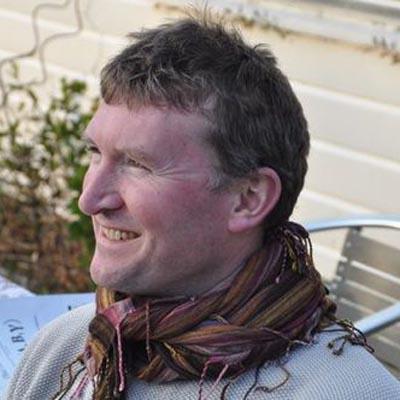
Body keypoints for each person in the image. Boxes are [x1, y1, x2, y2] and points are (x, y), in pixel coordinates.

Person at [5, 12, 400, 400]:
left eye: (137, 164)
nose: (90, 199)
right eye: (95, 152)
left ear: (248, 199)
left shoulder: (349, 391)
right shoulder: (68, 348)